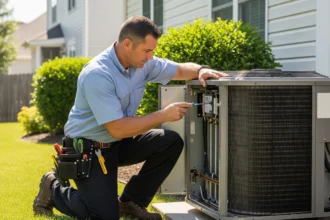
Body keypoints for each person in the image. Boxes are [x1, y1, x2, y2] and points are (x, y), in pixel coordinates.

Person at [33, 16, 227, 220]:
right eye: (147, 51)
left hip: (117, 143)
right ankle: (53, 188)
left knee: (169, 142)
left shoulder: (142, 64)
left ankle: (129, 203)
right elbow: (118, 128)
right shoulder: (98, 74)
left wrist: (201, 69)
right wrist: (163, 115)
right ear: (127, 44)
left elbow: (177, 69)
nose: (151, 57)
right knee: (104, 216)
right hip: (89, 149)